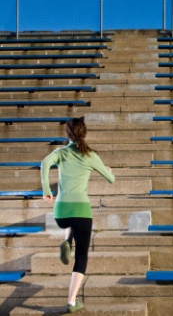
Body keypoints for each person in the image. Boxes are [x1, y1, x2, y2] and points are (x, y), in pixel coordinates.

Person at [40, 118, 115, 313]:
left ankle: (67, 241)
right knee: (81, 257)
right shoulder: (90, 155)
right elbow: (111, 180)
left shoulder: (61, 152)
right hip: (80, 210)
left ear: (68, 134)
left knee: (70, 223)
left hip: (60, 213)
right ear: (85, 134)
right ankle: (72, 301)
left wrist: (47, 190)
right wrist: (108, 170)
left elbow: (44, 163)